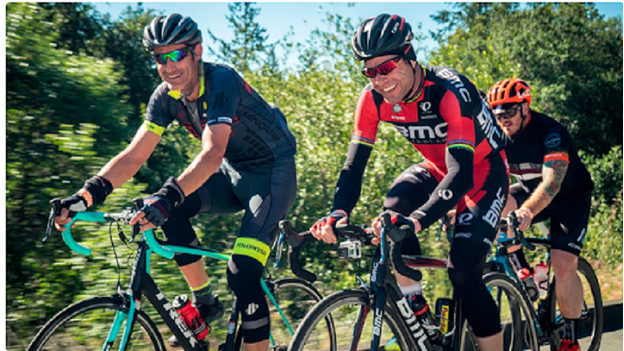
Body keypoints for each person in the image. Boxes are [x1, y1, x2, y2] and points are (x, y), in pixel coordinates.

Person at [53, 13, 297, 351]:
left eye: (175, 55)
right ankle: (205, 304)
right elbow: (133, 156)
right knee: (169, 208)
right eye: (159, 58)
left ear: (197, 51)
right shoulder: (165, 97)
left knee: (242, 272)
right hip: (232, 172)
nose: (168, 67)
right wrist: (84, 197)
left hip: (272, 175)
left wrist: (167, 196)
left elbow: (212, 153)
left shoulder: (221, 80)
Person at [311, 14, 508, 350]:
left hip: (481, 174)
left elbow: (460, 173)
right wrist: (338, 212)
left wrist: (417, 222)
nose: (379, 80)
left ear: (409, 55)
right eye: (369, 71)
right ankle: (418, 311)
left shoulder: (448, 91)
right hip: (436, 168)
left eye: (385, 68)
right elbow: (353, 167)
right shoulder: (372, 100)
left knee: (462, 272)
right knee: (390, 214)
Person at [488, 78, 594, 351]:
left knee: (562, 264)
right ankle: (520, 268)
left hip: (569, 198)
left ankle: (570, 338)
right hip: (529, 191)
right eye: (497, 113)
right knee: (496, 203)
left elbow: (552, 183)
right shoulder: (498, 135)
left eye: (509, 111)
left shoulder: (550, 132)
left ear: (525, 106)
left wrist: (526, 211)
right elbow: (483, 180)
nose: (503, 119)